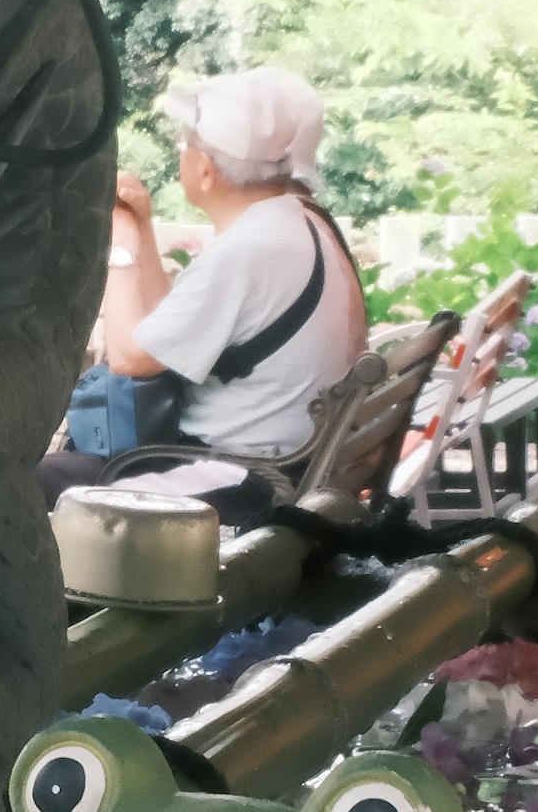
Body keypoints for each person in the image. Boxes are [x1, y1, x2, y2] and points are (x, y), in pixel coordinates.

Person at [42, 68, 367, 503]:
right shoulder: (298, 222)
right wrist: (142, 226)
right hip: (284, 459)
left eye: (186, 145)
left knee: (24, 487)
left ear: (207, 170)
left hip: (244, 476)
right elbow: (166, 333)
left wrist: (119, 246)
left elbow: (128, 359)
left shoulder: (250, 248)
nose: (184, 154)